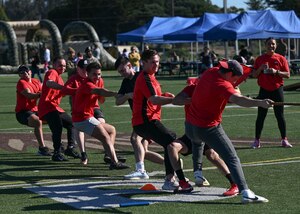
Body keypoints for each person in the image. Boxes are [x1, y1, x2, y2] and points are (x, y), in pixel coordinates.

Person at [185, 59, 273, 203]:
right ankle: (245, 192)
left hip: (190, 126)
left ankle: (197, 173)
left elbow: (237, 75)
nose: (237, 81)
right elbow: (239, 100)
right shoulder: (223, 85)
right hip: (208, 127)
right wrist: (260, 103)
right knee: (232, 158)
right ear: (231, 74)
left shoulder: (211, 71)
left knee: (197, 143)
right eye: (236, 78)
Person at [132, 49, 193, 192]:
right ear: (144, 63)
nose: (156, 65)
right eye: (152, 62)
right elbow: (153, 99)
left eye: (157, 62)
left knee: (169, 143)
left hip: (147, 121)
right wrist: (175, 100)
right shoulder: (145, 77)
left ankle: (170, 178)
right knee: (171, 141)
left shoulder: (151, 76)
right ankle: (174, 180)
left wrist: (165, 95)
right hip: (145, 121)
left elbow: (154, 95)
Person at [172, 78, 239, 196]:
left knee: (212, 155)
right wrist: (194, 100)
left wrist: (236, 89)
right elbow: (176, 100)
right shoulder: (192, 89)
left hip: (207, 129)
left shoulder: (215, 89)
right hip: (192, 130)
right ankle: (183, 182)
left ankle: (234, 183)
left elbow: (235, 97)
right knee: (172, 147)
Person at [63, 59, 126, 165]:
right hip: (82, 119)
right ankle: (114, 162)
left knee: (111, 130)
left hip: (87, 116)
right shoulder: (87, 84)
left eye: (99, 74)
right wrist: (116, 93)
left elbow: (101, 97)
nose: (97, 77)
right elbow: (99, 91)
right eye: (94, 74)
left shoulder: (94, 81)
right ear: (87, 74)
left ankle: (109, 155)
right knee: (105, 136)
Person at [114, 56, 164, 180]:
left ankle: (140, 170)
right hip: (139, 118)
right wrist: (127, 96)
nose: (122, 74)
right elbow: (118, 101)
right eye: (119, 72)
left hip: (147, 116)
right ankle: (172, 163)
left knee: (134, 139)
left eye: (123, 70)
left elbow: (154, 95)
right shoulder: (126, 82)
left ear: (130, 66)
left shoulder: (141, 77)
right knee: (144, 151)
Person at [251, 37, 292, 148]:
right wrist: (260, 68)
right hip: (264, 90)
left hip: (277, 90)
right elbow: (254, 75)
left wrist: (276, 72)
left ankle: (284, 140)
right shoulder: (259, 59)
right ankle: (257, 141)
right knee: (261, 116)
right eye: (269, 44)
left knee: (280, 116)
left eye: (273, 44)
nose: (271, 46)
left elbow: (288, 74)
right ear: (265, 45)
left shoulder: (281, 58)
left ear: (276, 46)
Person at [38, 56, 80, 161]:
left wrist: (79, 90)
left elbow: (65, 91)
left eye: (64, 66)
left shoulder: (60, 79)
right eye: (60, 65)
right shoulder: (52, 72)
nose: (63, 67)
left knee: (71, 123)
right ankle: (57, 153)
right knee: (57, 127)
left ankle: (70, 148)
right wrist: (64, 88)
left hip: (54, 107)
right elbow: (49, 83)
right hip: (47, 106)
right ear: (54, 65)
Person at [15, 65, 51, 156]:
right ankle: (42, 148)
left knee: (53, 118)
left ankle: (58, 145)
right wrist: (41, 95)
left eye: (27, 71)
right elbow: (29, 95)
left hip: (34, 110)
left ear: (31, 72)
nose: (25, 73)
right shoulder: (21, 83)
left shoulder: (36, 81)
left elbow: (45, 91)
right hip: (22, 112)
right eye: (22, 72)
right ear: (19, 75)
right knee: (37, 121)